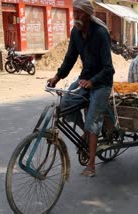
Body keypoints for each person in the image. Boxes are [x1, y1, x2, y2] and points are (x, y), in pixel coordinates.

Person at [47, 0, 114, 177]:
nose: (76, 16)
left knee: (93, 121)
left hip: (102, 83)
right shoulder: (75, 33)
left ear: (88, 14)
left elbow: (109, 68)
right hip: (85, 80)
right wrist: (57, 77)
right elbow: (70, 59)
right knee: (66, 102)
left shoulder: (100, 33)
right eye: (74, 12)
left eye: (80, 13)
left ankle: (91, 164)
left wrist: (93, 81)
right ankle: (86, 132)